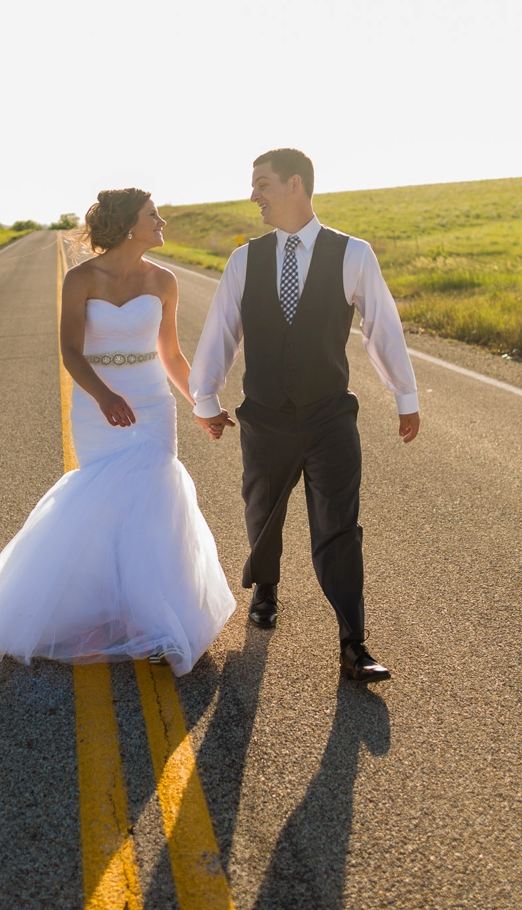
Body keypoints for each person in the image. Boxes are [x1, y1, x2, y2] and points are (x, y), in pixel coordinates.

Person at [0, 189, 235, 675]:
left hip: (151, 403)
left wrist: (203, 405)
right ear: (130, 225)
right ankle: (105, 609)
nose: (162, 221)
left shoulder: (164, 281)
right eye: (153, 215)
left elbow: (170, 355)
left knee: (154, 500)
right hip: (96, 404)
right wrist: (104, 395)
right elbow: (70, 350)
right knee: (105, 504)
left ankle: (151, 618)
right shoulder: (81, 278)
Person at [190, 149, 421, 683]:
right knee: (263, 512)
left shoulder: (353, 253)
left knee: (339, 529)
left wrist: (404, 396)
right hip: (265, 417)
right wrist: (206, 398)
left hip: (329, 418)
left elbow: (381, 327)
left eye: (263, 184)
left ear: (296, 184)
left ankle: (353, 644)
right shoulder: (244, 259)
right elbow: (222, 331)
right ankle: (266, 588)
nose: (255, 196)